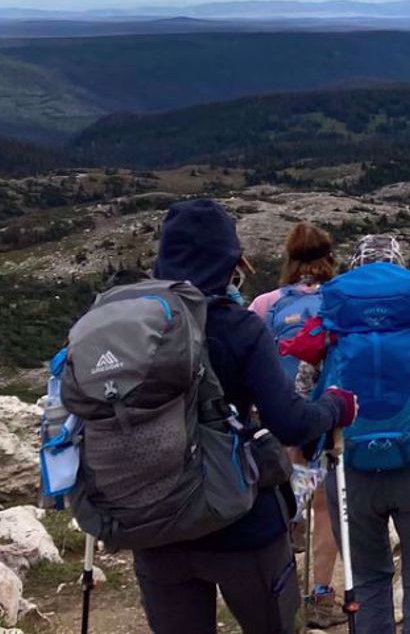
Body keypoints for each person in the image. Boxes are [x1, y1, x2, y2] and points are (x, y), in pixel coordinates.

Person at [131, 200, 356, 634]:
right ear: (229, 261)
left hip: (154, 519)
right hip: (237, 519)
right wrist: (334, 408)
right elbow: (288, 421)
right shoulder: (236, 326)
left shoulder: (135, 323)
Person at [282, 235, 410, 634]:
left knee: (367, 577)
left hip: (351, 471)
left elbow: (302, 396)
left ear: (355, 266)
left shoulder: (333, 321)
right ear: (400, 265)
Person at [246, 223, 343, 622]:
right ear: (329, 257)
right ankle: (320, 596)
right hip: (331, 419)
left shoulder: (267, 304)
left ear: (288, 259)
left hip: (282, 420)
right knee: (327, 509)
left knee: (287, 503)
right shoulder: (340, 300)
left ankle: (280, 596)